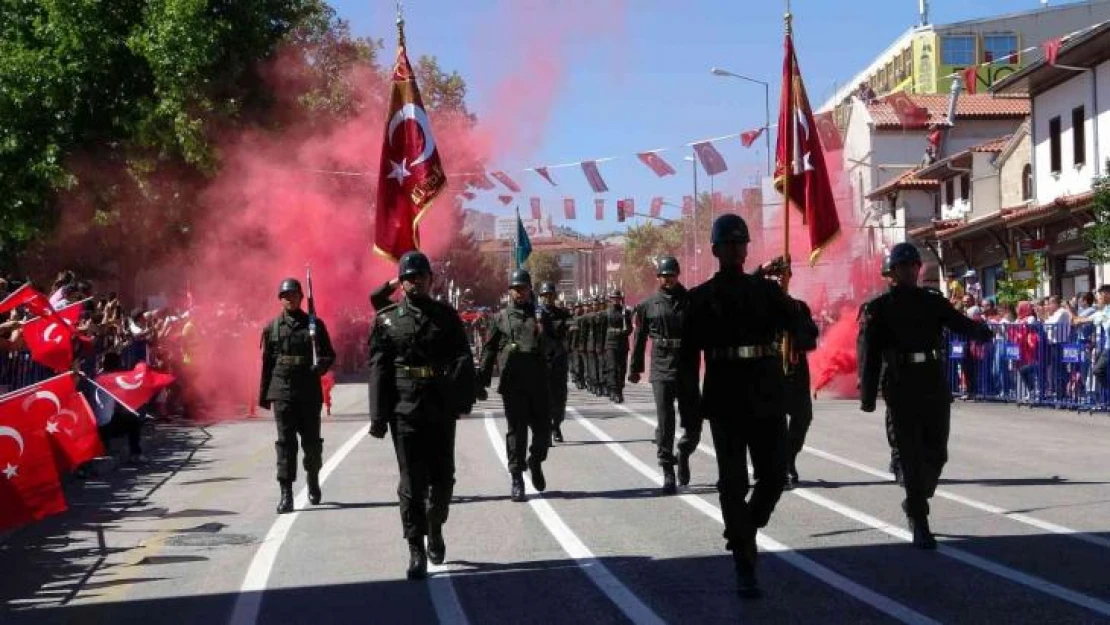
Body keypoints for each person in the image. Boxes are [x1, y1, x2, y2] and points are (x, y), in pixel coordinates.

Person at [680, 213, 813, 599]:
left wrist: (803, 331)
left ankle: (747, 527)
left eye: (741, 243)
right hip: (724, 396)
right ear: (716, 250)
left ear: (746, 249)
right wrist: (691, 410)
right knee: (733, 482)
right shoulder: (701, 298)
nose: (736, 249)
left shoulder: (767, 292)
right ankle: (744, 561)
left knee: (773, 476)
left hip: (766, 392)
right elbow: (689, 359)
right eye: (729, 243)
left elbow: (798, 324)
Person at [858, 243, 992, 550]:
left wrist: (979, 331)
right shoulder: (879, 308)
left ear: (919, 269)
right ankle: (920, 520)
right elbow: (869, 354)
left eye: (912, 266)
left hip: (932, 383)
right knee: (910, 454)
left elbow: (958, 323)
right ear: (891, 272)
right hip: (902, 386)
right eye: (901, 267)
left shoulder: (933, 302)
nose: (908, 271)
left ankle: (915, 495)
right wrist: (867, 395)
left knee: (937, 452)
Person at [368, 251, 477, 580]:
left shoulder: (445, 316)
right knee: (411, 485)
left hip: (439, 405)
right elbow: (378, 369)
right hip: (405, 409)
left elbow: (462, 357)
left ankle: (435, 524)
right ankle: (415, 547)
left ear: (431, 279)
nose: (416, 282)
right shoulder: (386, 320)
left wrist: (463, 398)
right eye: (409, 277)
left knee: (443, 480)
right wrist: (378, 416)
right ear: (400, 283)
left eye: (421, 276)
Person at [259, 277, 336, 514]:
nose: (289, 298)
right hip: (282, 390)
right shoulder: (272, 328)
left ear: (302, 297)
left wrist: (321, 366)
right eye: (285, 295)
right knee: (285, 445)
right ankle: (286, 494)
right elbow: (267, 364)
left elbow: (329, 355)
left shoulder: (314, 325)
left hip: (308, 390)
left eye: (294, 294)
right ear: (280, 299)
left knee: (312, 444)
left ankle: (312, 478)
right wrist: (263, 395)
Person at [477, 269, 554, 502]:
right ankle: (517, 477)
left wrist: (545, 330)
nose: (520, 292)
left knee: (542, 433)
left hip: (539, 381)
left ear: (531, 289)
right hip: (513, 383)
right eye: (516, 288)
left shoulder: (541, 315)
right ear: (509, 291)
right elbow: (489, 351)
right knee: (516, 432)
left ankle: (535, 461)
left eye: (524, 288)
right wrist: (481, 381)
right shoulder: (500, 318)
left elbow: (554, 346)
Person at [629, 255, 700, 494]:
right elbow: (639, 340)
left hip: (687, 366)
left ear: (677, 275)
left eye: (671, 275)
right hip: (661, 367)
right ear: (658, 277)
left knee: (693, 423)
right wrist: (635, 368)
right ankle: (668, 469)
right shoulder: (648, 305)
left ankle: (684, 451)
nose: (667, 279)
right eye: (663, 275)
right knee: (665, 420)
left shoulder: (691, 301)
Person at [537, 282, 572, 443]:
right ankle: (545, 429)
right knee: (544, 396)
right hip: (542, 360)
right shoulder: (536, 314)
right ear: (541, 297)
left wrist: (565, 325)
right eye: (545, 296)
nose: (548, 299)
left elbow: (572, 327)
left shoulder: (562, 313)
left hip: (559, 359)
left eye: (550, 295)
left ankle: (556, 425)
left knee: (560, 395)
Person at [603, 289, 633, 403]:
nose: (616, 300)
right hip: (610, 343)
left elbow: (630, 328)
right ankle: (613, 390)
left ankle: (619, 390)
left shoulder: (625, 312)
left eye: (618, 298)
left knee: (622, 369)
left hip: (622, 343)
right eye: (614, 298)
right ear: (611, 299)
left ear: (620, 299)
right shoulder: (607, 313)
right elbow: (602, 330)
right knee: (612, 368)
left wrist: (625, 319)